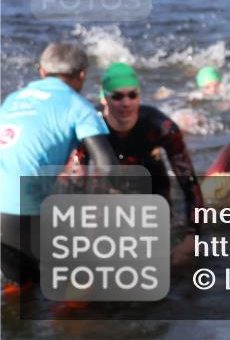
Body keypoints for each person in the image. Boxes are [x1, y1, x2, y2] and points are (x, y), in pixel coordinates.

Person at [0, 42, 115, 293]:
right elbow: (108, 169)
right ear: (82, 75)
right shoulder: (79, 107)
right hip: (25, 210)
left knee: (20, 289)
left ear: (42, 71)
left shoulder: (12, 99)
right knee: (83, 286)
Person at [68, 63, 203, 264]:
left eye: (132, 95)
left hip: (152, 190)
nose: (126, 103)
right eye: (117, 96)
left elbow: (190, 185)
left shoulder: (161, 127)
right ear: (104, 98)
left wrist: (193, 236)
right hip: (107, 192)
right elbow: (73, 185)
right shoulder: (88, 126)